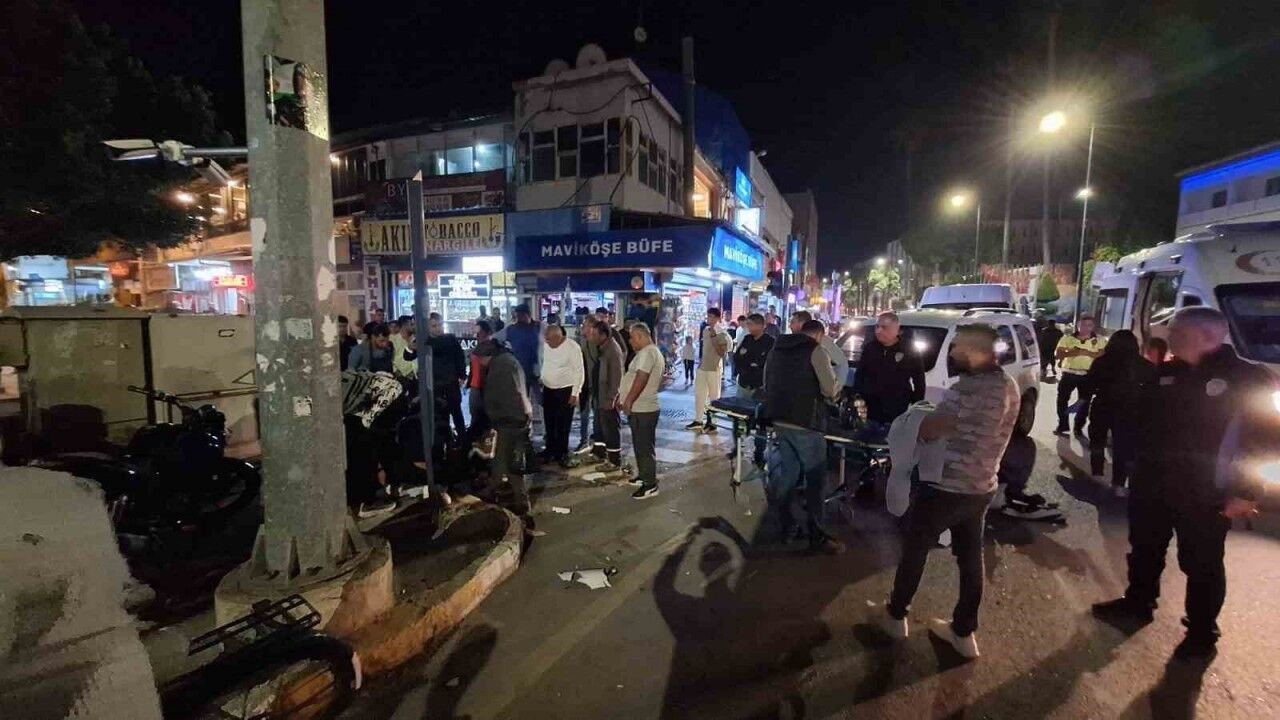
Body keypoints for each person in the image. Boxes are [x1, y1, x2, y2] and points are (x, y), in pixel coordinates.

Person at [1092, 307, 1278, 659]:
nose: (1169, 335)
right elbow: (1142, 420)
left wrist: (1248, 493)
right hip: (1152, 485)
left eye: (1177, 330)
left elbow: (1267, 440)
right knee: (1145, 548)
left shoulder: (1246, 378)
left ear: (1207, 336)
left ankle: (1202, 632)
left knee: (1202, 563)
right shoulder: (1167, 373)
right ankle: (1138, 603)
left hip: (1208, 492)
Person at [882, 324, 1021, 659]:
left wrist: (918, 418)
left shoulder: (967, 389)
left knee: (915, 549)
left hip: (947, 485)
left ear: (975, 351)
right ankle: (964, 632)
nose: (953, 352)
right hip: (982, 485)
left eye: (957, 346)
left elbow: (930, 431)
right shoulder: (1009, 385)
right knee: (970, 558)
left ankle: (896, 616)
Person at [760, 319, 843, 554]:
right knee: (815, 480)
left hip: (779, 419)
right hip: (806, 423)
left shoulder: (777, 348)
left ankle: (787, 526)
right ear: (819, 335)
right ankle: (817, 535)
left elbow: (766, 382)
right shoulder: (815, 350)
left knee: (788, 474)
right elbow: (829, 389)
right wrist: (837, 385)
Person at [1084, 330, 1153, 495]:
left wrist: (1083, 400)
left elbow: (1088, 385)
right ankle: (1119, 485)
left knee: (1098, 441)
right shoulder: (1144, 365)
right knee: (1123, 447)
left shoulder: (1101, 362)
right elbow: (1151, 393)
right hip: (1130, 411)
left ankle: (1097, 473)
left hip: (1102, 406)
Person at [474, 340, 533, 518]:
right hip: (511, 418)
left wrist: (498, 416)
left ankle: (520, 502)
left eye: (479, 359)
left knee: (510, 460)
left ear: (487, 356)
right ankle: (498, 489)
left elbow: (511, 393)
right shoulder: (506, 361)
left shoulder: (502, 365)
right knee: (503, 458)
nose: (479, 363)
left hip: (509, 419)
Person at [852, 311, 926, 439]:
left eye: (884, 327)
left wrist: (915, 405)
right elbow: (860, 374)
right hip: (870, 410)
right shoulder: (870, 348)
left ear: (896, 329)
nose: (879, 331)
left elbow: (919, 380)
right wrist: (857, 395)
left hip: (896, 410)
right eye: (877, 327)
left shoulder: (909, 350)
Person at [619, 322, 664, 499]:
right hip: (642, 407)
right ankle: (644, 475)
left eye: (632, 338)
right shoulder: (651, 352)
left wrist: (629, 400)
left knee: (644, 447)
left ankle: (650, 485)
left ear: (640, 336)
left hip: (643, 408)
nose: (630, 342)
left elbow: (642, 377)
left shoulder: (647, 352)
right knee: (640, 445)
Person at [539, 324, 584, 468]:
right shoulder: (546, 345)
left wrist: (575, 393)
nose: (546, 342)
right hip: (548, 389)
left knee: (563, 424)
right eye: (545, 339)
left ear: (558, 337)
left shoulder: (572, 347)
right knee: (549, 422)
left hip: (565, 390)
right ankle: (550, 450)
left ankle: (561, 452)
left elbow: (579, 371)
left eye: (549, 339)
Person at [1053, 315, 1106, 437]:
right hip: (1069, 373)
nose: (1085, 328)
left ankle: (1078, 427)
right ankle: (1063, 424)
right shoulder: (1067, 338)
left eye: (1089, 325)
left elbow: (1102, 355)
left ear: (1093, 326)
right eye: (1082, 325)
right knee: (1062, 400)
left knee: (1084, 402)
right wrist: (1074, 352)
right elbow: (1058, 354)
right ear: (1077, 325)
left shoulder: (1099, 340)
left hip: (1088, 375)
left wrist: (1086, 353)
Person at [497, 304, 542, 434]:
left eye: (519, 316)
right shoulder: (512, 329)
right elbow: (495, 339)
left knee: (542, 401)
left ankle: (545, 430)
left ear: (526, 314)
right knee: (522, 401)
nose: (517, 319)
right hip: (520, 371)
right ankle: (526, 429)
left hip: (538, 371)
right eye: (516, 316)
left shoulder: (539, 327)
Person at [587, 319, 625, 471]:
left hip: (608, 398)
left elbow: (617, 376)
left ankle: (614, 460)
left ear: (603, 335)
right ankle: (599, 452)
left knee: (610, 428)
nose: (592, 337)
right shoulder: (602, 348)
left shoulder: (613, 350)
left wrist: (612, 397)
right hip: (599, 395)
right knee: (599, 426)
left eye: (595, 334)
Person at [688, 308, 731, 431]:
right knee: (700, 395)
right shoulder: (705, 330)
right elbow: (704, 349)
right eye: (708, 316)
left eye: (712, 317)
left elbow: (722, 353)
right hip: (703, 367)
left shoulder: (721, 333)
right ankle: (698, 420)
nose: (709, 319)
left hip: (714, 368)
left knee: (714, 396)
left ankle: (713, 422)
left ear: (717, 318)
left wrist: (714, 337)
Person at [427, 314, 468, 443]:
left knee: (456, 413)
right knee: (441, 415)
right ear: (428, 327)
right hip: (436, 384)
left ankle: (462, 441)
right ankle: (446, 441)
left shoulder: (449, 339)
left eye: (440, 325)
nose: (438, 328)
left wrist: (462, 375)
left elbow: (460, 357)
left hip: (450, 382)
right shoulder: (427, 342)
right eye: (434, 326)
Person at [790, 311, 850, 389]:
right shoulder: (795, 341)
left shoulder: (822, 341)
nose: (790, 326)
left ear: (802, 323)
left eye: (792, 322)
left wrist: (836, 389)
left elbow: (842, 363)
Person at [466, 320, 494, 447]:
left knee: (482, 417)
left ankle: (482, 444)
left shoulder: (491, 348)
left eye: (479, 332)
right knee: (476, 415)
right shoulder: (478, 347)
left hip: (484, 388)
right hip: (475, 386)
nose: (476, 335)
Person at [575, 312, 599, 455]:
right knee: (584, 412)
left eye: (585, 324)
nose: (582, 327)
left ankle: (595, 441)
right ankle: (585, 440)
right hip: (584, 382)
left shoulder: (596, 342)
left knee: (595, 413)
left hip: (594, 382)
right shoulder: (582, 340)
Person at [392, 315, 417, 379]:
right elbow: (390, 359)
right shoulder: (393, 340)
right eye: (411, 324)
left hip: (415, 375)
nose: (414, 326)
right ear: (404, 325)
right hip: (399, 375)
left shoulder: (416, 339)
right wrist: (396, 372)